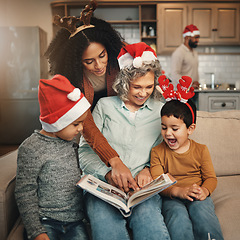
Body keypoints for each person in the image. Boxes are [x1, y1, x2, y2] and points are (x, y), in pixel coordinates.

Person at [79, 42, 170, 240]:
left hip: (142, 190)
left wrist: (148, 169)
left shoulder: (160, 110)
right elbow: (85, 152)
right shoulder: (104, 106)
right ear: (124, 82)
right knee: (106, 229)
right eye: (136, 86)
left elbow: (164, 150)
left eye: (149, 86)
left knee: (152, 228)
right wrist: (108, 173)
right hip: (105, 188)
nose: (143, 93)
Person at [44, 0, 138, 192]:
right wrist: (114, 160)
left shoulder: (120, 61)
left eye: (102, 56)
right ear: (77, 61)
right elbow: (85, 121)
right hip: (86, 129)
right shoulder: (70, 79)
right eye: (89, 61)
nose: (99, 66)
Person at [15, 75, 91, 240]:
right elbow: (24, 192)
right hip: (46, 221)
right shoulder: (31, 148)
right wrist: (37, 231)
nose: (81, 129)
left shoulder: (72, 143)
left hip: (76, 222)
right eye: (76, 124)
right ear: (57, 122)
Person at [150, 76, 224, 240]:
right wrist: (178, 191)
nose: (168, 133)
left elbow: (211, 178)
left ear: (190, 129)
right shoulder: (157, 152)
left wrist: (205, 190)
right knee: (178, 219)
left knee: (203, 215)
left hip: (197, 195)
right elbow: (158, 182)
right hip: (172, 197)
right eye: (164, 127)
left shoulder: (201, 150)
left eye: (174, 128)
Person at [170, 24, 200, 89]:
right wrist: (190, 84)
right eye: (195, 37)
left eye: (198, 37)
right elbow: (174, 74)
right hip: (182, 92)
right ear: (187, 38)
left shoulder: (194, 52)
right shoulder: (179, 53)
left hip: (193, 90)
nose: (198, 40)